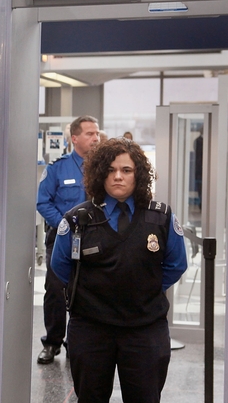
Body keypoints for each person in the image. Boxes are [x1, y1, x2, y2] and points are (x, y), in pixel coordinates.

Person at [51, 137, 187, 402]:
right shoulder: (78, 220)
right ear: (100, 174)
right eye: (111, 170)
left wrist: (143, 289)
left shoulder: (161, 217)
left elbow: (176, 264)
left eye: (126, 170)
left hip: (145, 329)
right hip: (91, 329)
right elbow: (61, 266)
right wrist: (96, 295)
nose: (118, 177)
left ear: (139, 175)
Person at [35, 115, 100, 364]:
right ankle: (52, 342)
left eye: (97, 133)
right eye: (89, 133)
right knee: (55, 288)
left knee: (90, 288)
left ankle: (80, 341)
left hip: (96, 239)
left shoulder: (105, 168)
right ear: (74, 138)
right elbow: (43, 202)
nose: (95, 138)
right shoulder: (58, 168)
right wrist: (65, 225)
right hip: (63, 239)